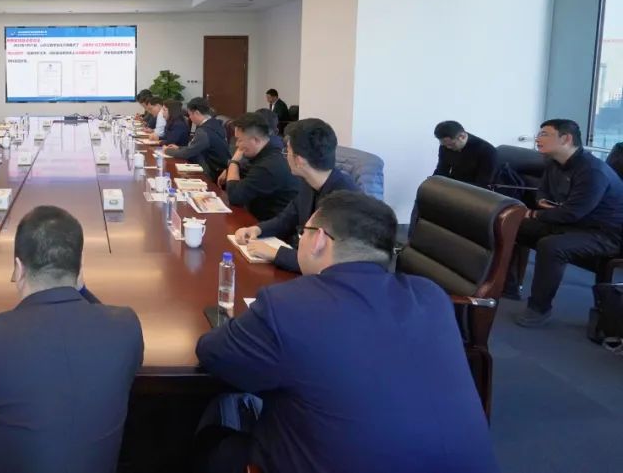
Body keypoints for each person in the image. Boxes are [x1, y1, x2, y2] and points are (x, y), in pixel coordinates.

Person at [196, 191, 498, 473]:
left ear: (319, 240)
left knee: (217, 436)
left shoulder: (287, 305)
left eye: (304, 233)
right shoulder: (432, 297)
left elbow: (213, 354)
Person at [0, 206, 144, 473]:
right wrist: (81, 289)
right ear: (79, 269)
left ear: (18, 268)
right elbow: (101, 318)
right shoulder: (126, 328)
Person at [508, 119, 623, 327]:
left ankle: (539, 308)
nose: (538, 138)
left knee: (552, 247)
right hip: (573, 223)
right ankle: (508, 285)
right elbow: (543, 193)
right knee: (513, 226)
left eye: (544, 134)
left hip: (603, 234)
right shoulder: (554, 163)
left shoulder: (592, 170)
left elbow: (572, 213)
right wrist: (543, 203)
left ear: (566, 139)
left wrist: (534, 214)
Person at [232, 118, 358, 273]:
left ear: (299, 160)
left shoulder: (346, 199)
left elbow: (327, 262)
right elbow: (286, 219)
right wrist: (257, 229)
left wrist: (275, 254)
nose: (285, 157)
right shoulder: (308, 182)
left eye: (287, 152)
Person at [222, 113, 299, 222]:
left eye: (239, 140)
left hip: (271, 225)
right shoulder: (270, 148)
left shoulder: (269, 165)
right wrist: (229, 169)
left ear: (256, 140)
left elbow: (234, 196)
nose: (237, 145)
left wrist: (234, 162)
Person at [163, 97, 230, 180]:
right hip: (220, 169)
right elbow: (196, 147)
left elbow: (188, 153)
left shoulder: (204, 131)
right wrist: (179, 148)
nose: (189, 118)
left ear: (197, 113)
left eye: (190, 114)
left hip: (212, 174)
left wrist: (167, 150)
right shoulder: (215, 123)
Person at [432, 120, 497, 188]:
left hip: (477, 188)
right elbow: (441, 170)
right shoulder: (445, 145)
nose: (448, 147)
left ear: (462, 136)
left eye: (451, 144)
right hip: (457, 183)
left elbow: (483, 183)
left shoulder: (487, 151)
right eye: (444, 144)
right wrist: (432, 182)